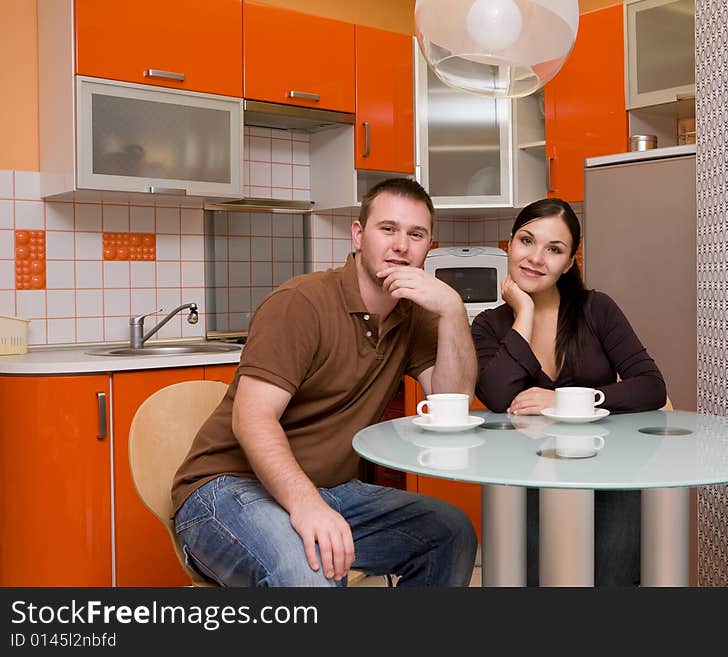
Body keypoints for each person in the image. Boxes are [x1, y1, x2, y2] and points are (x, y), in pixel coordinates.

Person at [172, 178, 478, 587]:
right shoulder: (300, 304)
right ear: (358, 235)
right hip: (225, 490)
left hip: (329, 489)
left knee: (450, 533)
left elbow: (451, 402)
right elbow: (253, 419)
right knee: (311, 568)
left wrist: (453, 311)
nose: (401, 245)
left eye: (415, 234)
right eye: (387, 229)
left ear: (428, 247)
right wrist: (306, 505)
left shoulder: (415, 315)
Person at [470, 197, 667, 587]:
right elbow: (495, 395)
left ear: (569, 261)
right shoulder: (490, 325)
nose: (536, 258)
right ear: (509, 243)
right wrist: (523, 314)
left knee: (613, 582)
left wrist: (567, 400)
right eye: (527, 241)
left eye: (554, 250)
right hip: (526, 481)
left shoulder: (596, 309)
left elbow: (651, 386)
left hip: (610, 475)